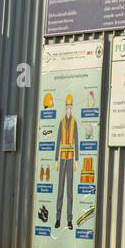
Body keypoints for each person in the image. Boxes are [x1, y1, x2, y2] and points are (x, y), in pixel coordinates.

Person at [54, 94, 76, 230]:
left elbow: (77, 141)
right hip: (62, 159)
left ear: (72, 107)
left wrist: (77, 160)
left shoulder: (74, 122)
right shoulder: (61, 122)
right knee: (60, 190)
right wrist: (56, 160)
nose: (68, 108)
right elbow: (58, 142)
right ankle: (57, 218)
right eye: (67, 106)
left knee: (70, 192)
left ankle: (69, 220)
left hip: (70, 159)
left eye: (70, 106)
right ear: (65, 107)